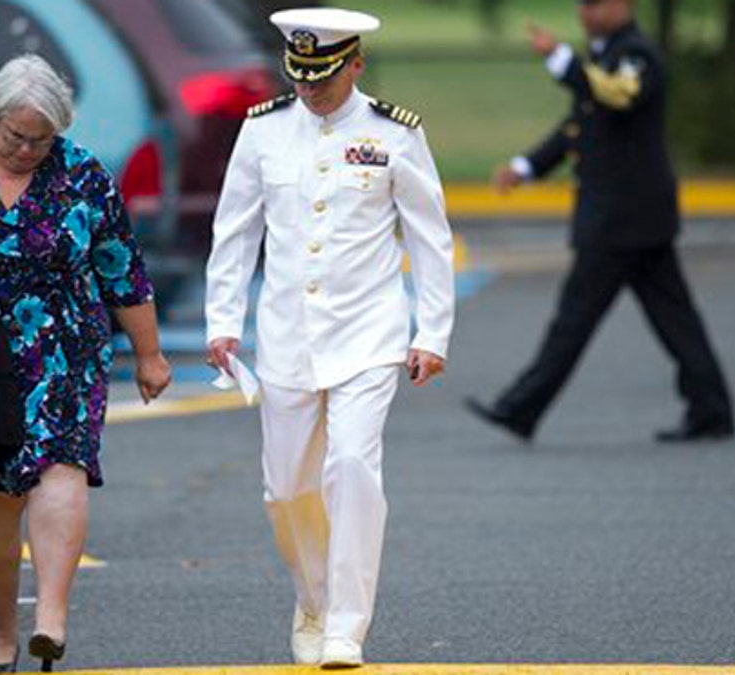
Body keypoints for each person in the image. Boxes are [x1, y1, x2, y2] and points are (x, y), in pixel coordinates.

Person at [0, 54, 171, 673]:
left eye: (42, 139)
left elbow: (121, 268)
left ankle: (52, 617)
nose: (29, 150)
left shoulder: (84, 176)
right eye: (18, 137)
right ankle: (0, 634)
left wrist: (149, 355)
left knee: (61, 465)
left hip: (66, 346)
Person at [205, 8, 455, 668]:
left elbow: (429, 237)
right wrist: (223, 321)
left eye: (325, 77)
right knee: (284, 489)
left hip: (369, 333)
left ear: (356, 65)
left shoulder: (394, 133)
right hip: (285, 334)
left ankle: (346, 625)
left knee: (351, 469)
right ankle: (312, 596)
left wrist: (433, 331)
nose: (311, 90)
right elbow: (235, 232)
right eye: (302, 76)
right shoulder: (262, 131)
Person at [465, 0, 735, 444]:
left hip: (622, 219)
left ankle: (521, 407)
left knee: (574, 319)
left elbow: (616, 94)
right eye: (581, 4)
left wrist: (560, 59)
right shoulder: (608, 55)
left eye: (594, 3)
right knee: (676, 321)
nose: (584, 12)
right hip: (635, 218)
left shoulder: (635, 55)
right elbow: (578, 125)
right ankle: (712, 409)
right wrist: (526, 166)